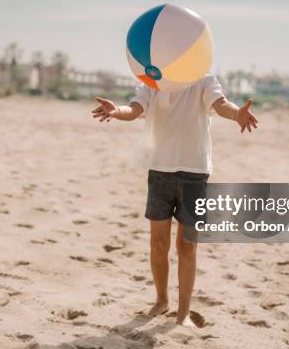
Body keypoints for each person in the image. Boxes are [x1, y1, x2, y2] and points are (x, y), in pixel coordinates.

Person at [91, 75, 258, 326]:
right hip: (159, 171)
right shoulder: (152, 83)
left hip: (195, 173)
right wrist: (117, 111)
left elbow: (221, 104)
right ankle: (162, 301)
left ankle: (183, 313)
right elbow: (135, 109)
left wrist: (237, 114)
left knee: (187, 247)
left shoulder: (203, 79)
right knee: (158, 244)